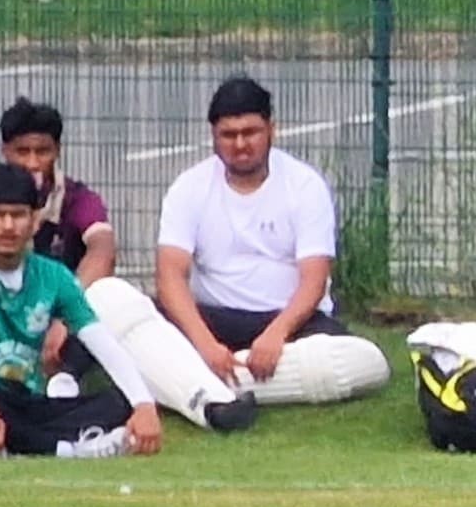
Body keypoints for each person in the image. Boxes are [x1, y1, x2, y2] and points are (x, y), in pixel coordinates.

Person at [85, 76, 389, 430]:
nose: (241, 144)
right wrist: (204, 344)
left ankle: (195, 386)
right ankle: (214, 389)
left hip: (292, 324)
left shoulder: (304, 186)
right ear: (213, 135)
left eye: (251, 132)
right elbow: (170, 277)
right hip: (211, 319)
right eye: (229, 135)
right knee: (107, 299)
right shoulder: (189, 187)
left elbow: (314, 280)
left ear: (271, 130)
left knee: (363, 362)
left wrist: (276, 335)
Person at [0, 163, 160, 458]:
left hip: (27, 402)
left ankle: (10, 447)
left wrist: (144, 404)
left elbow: (102, 342)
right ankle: (70, 450)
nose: (8, 226)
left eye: (19, 215)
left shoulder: (54, 277)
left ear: (35, 220)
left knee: (119, 402)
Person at [0, 95, 120, 288]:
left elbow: (103, 252)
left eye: (43, 152)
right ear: (5, 151)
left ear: (57, 151)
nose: (33, 163)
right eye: (22, 152)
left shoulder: (77, 197)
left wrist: (70, 305)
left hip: (59, 304)